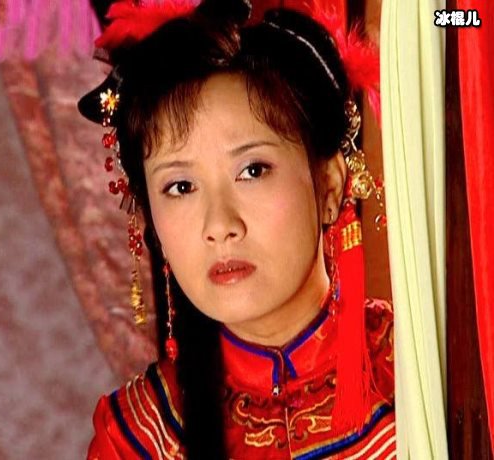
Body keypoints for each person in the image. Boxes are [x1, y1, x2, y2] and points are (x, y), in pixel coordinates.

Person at [78, 0, 395, 458]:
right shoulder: (138, 438)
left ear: (329, 184)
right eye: (181, 186)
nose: (220, 225)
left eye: (252, 170)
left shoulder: (422, 371)